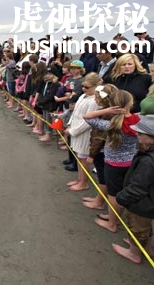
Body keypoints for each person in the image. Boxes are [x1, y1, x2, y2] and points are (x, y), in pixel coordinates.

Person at [83, 87, 140, 233]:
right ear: (131, 103)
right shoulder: (137, 121)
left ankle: (112, 224)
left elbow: (87, 116)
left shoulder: (111, 125)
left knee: (114, 195)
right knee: (122, 192)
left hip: (113, 164)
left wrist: (106, 111)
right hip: (132, 162)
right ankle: (116, 218)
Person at [113, 114, 154, 263]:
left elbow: (138, 187)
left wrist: (122, 197)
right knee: (145, 227)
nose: (137, 136)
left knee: (137, 228)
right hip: (149, 203)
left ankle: (134, 253)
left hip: (142, 204)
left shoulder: (148, 161)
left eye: (141, 134)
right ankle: (147, 249)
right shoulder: (148, 153)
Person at [64, 72, 102, 191]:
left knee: (84, 159)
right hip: (76, 130)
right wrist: (70, 124)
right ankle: (79, 179)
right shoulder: (82, 96)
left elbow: (89, 121)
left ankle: (84, 182)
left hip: (85, 134)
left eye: (87, 87)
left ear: (96, 87)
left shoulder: (95, 101)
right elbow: (75, 113)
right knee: (79, 157)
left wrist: (73, 131)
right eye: (83, 86)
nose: (84, 89)